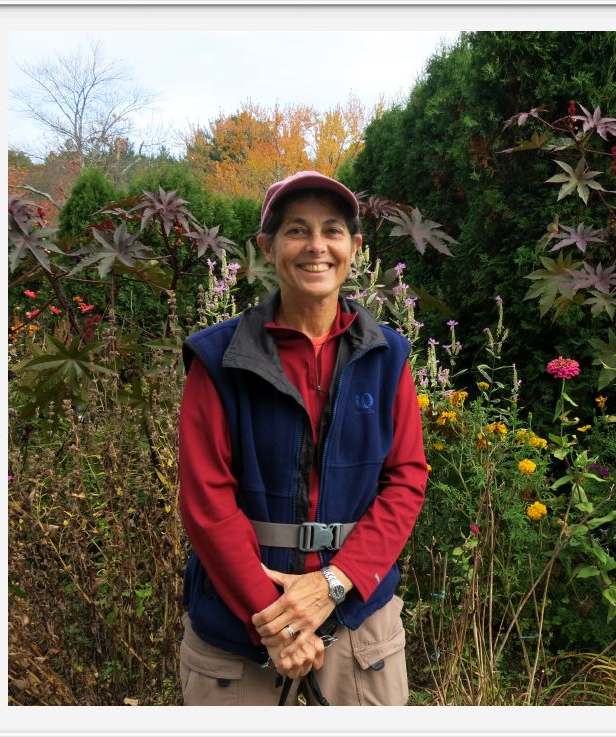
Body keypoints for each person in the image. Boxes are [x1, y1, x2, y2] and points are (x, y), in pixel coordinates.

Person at [177, 171, 428, 705]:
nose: (316, 246)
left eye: (332, 230)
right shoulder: (219, 360)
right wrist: (275, 621)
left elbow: (405, 480)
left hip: (359, 624)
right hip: (239, 627)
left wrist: (336, 583)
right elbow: (207, 502)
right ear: (268, 247)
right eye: (296, 230)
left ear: (355, 248)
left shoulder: (388, 357)